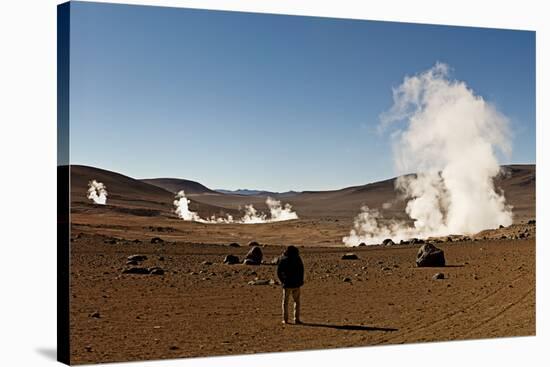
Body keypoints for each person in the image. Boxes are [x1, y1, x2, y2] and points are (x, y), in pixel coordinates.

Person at [277, 245, 304, 325]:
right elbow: (301, 271)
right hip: (296, 284)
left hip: (287, 284)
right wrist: (300, 281)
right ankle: (296, 319)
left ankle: (285, 320)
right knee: (297, 301)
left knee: (285, 302)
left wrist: (282, 281)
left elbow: (279, 272)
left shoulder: (283, 259)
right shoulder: (298, 259)